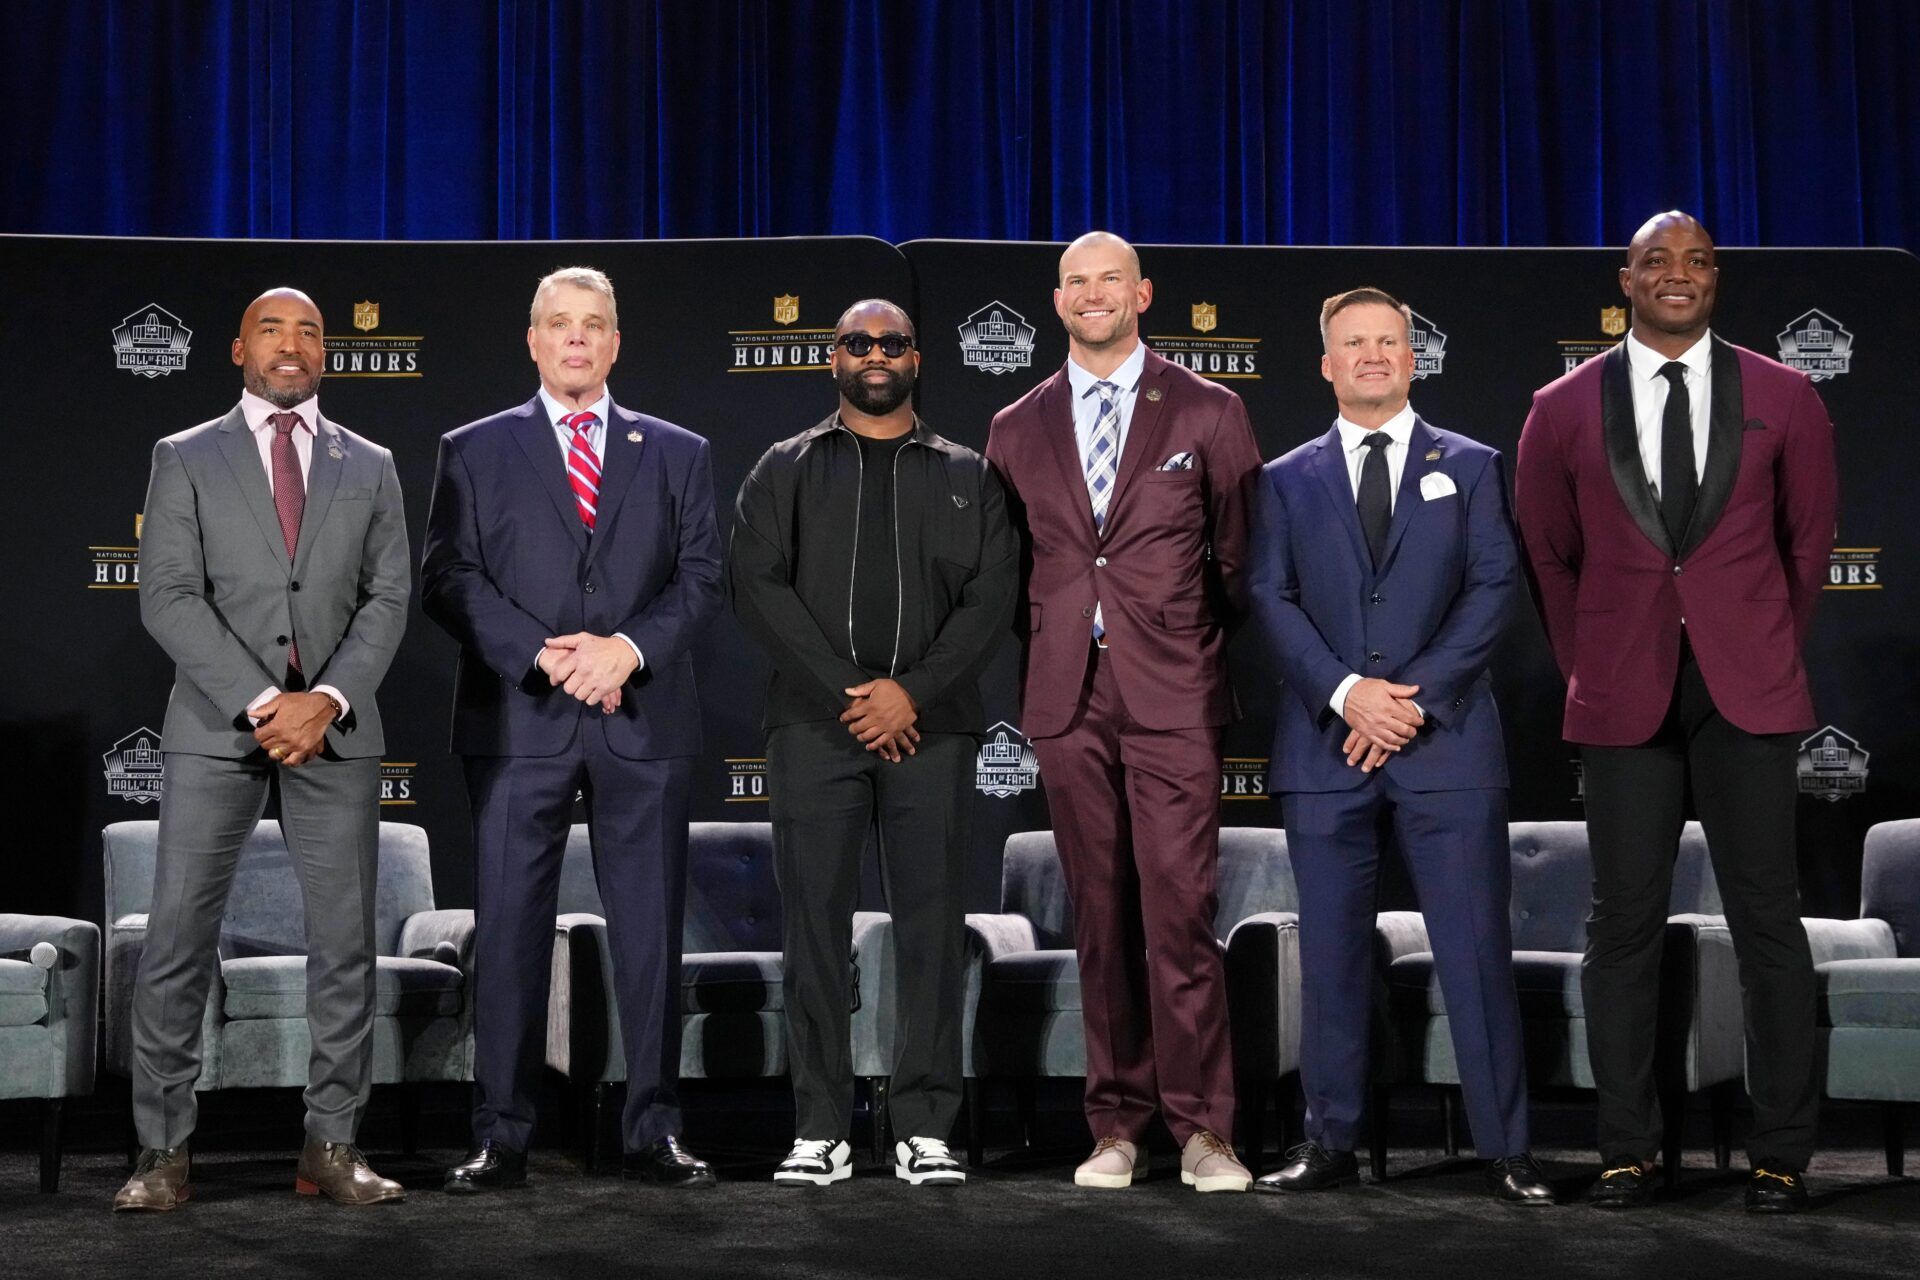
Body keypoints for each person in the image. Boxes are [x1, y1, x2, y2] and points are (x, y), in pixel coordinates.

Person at [1514, 211, 1837, 1213]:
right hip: (1621, 688)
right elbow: (1550, 558)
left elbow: (1808, 546)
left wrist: (1757, 643)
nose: (1678, 274)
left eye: (1697, 260)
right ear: (1626, 278)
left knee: (1768, 920)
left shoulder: (1786, 394)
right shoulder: (1561, 406)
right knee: (1622, 926)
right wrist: (1594, 661)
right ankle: (1627, 1150)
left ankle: (1781, 1152)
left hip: (1748, 689)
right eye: (1658, 260)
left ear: (1717, 278)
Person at [421, 266, 724, 1191]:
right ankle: (501, 1134)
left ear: (617, 342)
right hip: (520, 722)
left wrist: (626, 648)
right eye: (561, 325)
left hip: (642, 721)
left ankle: (653, 1130)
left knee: (651, 934)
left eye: (595, 325)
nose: (578, 340)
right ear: (534, 339)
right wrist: (548, 656)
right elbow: (450, 577)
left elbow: (704, 576)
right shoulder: (473, 449)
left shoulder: (677, 450)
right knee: (511, 930)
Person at [1247, 288, 1551, 1204]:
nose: (1373, 356)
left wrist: (1409, 704)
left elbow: (1495, 588)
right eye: (1354, 344)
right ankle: (1329, 1141)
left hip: (1445, 745)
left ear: (1413, 359)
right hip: (1324, 749)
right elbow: (1270, 596)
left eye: (1389, 342)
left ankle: (1507, 1148)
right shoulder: (1283, 478)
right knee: (1331, 958)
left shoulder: (1475, 465)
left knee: (1474, 951)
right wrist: (1350, 695)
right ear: (1327, 363)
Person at [117, 288, 411, 1211]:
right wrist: (260, 703)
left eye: (310, 332)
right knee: (176, 940)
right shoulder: (186, 456)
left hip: (336, 731)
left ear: (327, 353)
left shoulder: (370, 462)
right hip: (215, 728)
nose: (292, 346)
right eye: (272, 330)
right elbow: (166, 595)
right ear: (238, 347)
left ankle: (332, 1146)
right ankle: (161, 1153)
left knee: (343, 947)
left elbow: (388, 599)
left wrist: (322, 700)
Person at [984, 232, 1261, 1193]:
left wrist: (1178, 641)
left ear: (1143, 292)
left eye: (1110, 279)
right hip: (1068, 699)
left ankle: (1204, 1132)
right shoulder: (1015, 425)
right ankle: (1116, 1126)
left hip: (1174, 692)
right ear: (1055, 301)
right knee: (1100, 919)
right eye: (1075, 282)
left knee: (1180, 914)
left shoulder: (1209, 409)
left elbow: (1238, 559)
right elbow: (1012, 573)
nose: (1092, 294)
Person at [730, 299, 1016, 1188]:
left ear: (917, 358)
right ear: (834, 357)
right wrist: (857, 696)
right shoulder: (785, 468)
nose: (877, 355)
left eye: (892, 342)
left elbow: (992, 599)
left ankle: (924, 1123)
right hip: (818, 727)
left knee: (932, 929)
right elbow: (757, 588)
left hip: (932, 729)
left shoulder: (969, 471)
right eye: (860, 342)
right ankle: (819, 1124)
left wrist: (911, 695)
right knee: (813, 927)